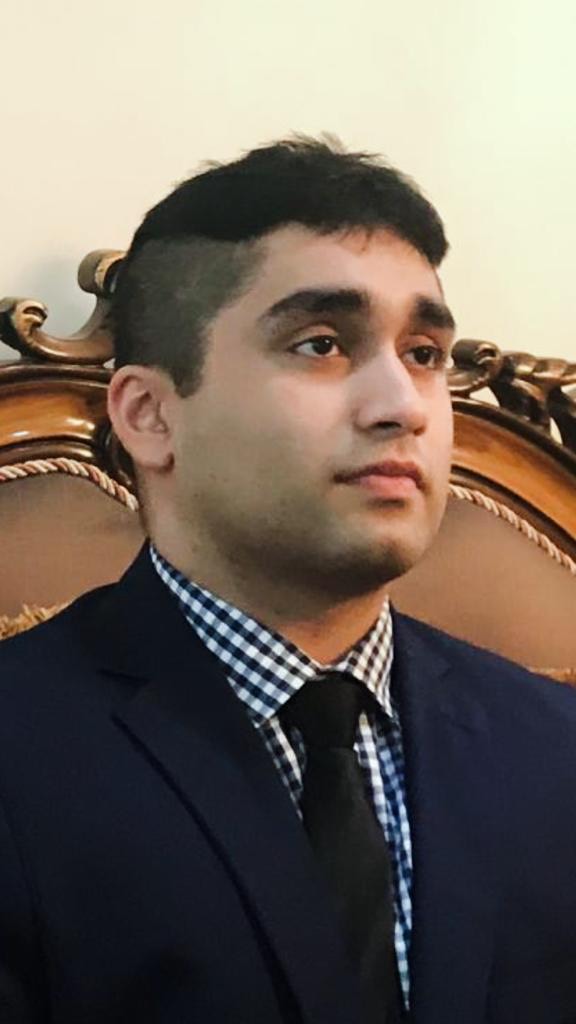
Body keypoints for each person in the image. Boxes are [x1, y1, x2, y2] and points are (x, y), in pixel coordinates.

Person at [0, 137, 575, 1024]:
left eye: (425, 352)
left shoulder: (555, 747)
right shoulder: (22, 749)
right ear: (151, 417)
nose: (404, 405)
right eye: (320, 344)